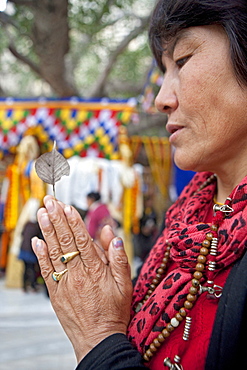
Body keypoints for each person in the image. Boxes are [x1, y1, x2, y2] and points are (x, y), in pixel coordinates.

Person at [31, 0, 247, 369]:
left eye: (182, 61)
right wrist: (107, 305)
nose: (162, 99)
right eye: (163, 71)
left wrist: (97, 337)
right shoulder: (187, 215)